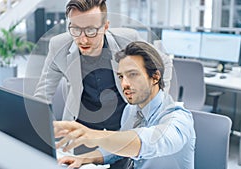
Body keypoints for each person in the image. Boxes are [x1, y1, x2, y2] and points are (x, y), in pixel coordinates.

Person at [34, 0, 172, 154]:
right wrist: (43, 130)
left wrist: (157, 103)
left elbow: (164, 61)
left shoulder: (127, 40)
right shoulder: (58, 45)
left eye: (91, 31)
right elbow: (42, 94)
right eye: (75, 29)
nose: (83, 39)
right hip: (83, 129)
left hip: (122, 127)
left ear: (106, 26)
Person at [54, 41, 196, 169]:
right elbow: (121, 146)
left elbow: (147, 142)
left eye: (133, 74)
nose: (124, 84)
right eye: (121, 76)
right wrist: (82, 158)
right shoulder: (131, 110)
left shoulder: (178, 119)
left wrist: (93, 135)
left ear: (155, 77)